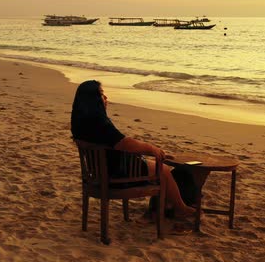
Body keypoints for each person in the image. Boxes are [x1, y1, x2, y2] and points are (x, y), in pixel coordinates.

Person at [71, 80, 195, 218]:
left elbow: (118, 145)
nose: (105, 98)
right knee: (164, 170)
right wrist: (152, 149)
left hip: (98, 173)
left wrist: (151, 153)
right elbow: (125, 143)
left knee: (154, 163)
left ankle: (164, 206)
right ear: (92, 99)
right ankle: (180, 208)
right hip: (117, 174)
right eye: (101, 94)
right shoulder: (99, 123)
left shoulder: (79, 122)